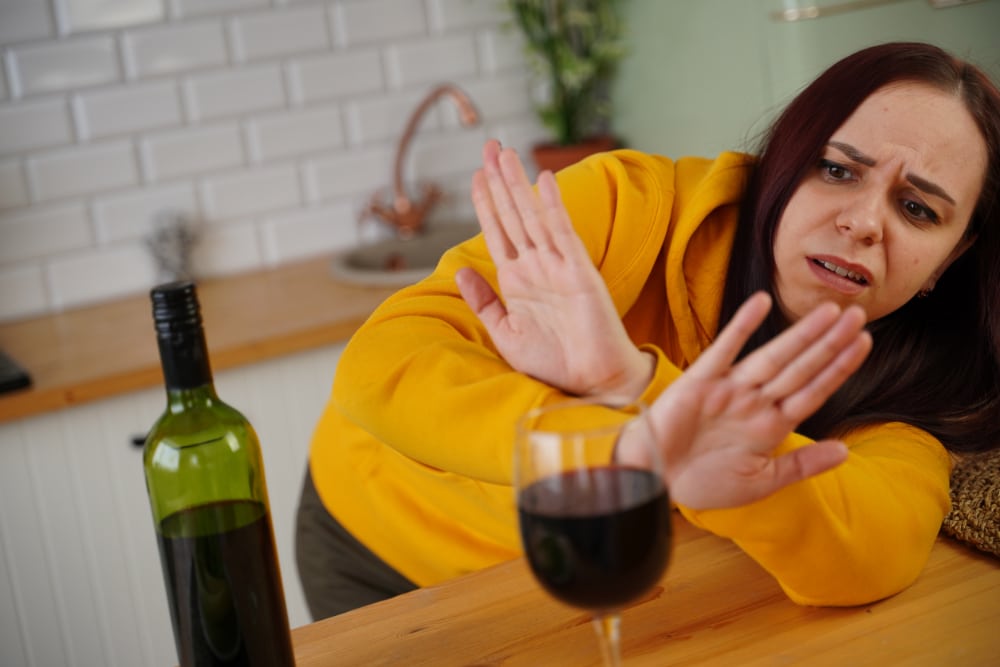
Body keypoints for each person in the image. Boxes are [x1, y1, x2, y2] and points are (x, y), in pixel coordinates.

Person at [295, 41, 1000, 619]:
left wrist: (631, 384)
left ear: (954, 254)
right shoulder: (631, 202)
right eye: (838, 169)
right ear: (784, 159)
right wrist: (636, 441)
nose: (864, 221)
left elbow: (873, 544)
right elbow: (380, 364)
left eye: (918, 209)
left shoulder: (920, 389)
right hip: (376, 534)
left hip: (567, 597)